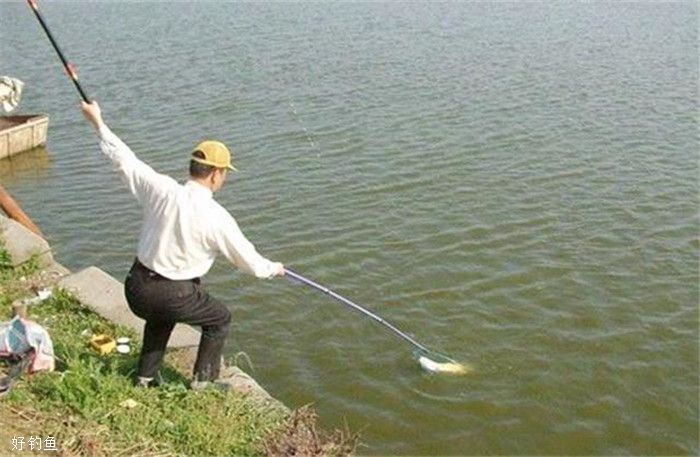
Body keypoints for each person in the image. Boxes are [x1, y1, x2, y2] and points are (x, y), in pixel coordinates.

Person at [80, 100, 285, 389]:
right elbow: (248, 261)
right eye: (224, 173)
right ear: (216, 174)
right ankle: (204, 383)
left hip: (136, 287)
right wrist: (273, 269)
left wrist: (97, 122)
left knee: (162, 316)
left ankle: (145, 378)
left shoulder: (160, 189)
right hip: (171, 293)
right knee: (219, 319)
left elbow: (124, 159)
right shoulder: (216, 217)